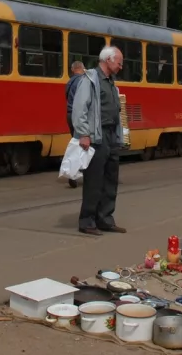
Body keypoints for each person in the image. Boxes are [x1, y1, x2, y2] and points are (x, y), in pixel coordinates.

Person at [71, 47, 126, 236]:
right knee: (94, 180)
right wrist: (84, 134)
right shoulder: (90, 80)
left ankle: (105, 219)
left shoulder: (111, 81)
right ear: (108, 60)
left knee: (111, 179)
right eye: (119, 62)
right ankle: (87, 221)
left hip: (111, 135)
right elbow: (80, 109)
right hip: (96, 136)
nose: (121, 66)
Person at [64, 61, 87, 188]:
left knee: (77, 143)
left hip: (70, 115)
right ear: (82, 69)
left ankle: (75, 172)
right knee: (84, 144)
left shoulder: (69, 82)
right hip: (79, 116)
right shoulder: (82, 81)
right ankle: (74, 173)